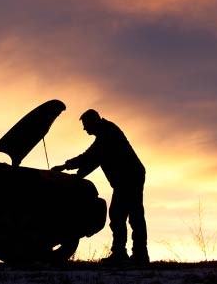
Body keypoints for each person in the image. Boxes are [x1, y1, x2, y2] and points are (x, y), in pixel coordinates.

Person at [52, 109, 149, 264]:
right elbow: (92, 158)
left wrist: (69, 171)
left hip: (130, 177)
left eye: (85, 125)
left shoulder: (108, 133)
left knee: (129, 215)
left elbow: (91, 158)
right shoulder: (105, 133)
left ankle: (135, 254)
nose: (84, 129)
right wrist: (68, 169)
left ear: (94, 121)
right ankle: (127, 253)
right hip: (126, 179)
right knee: (121, 216)